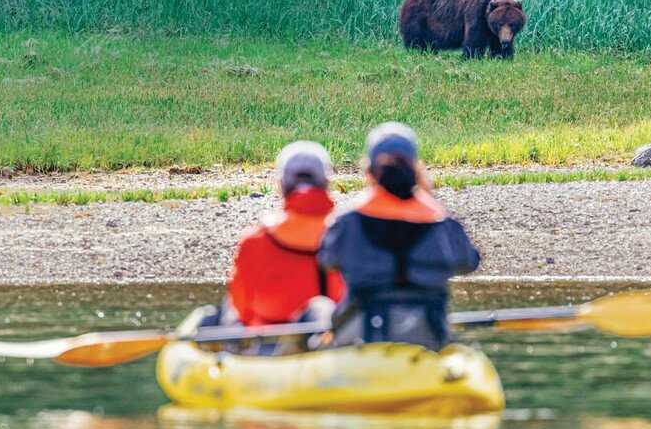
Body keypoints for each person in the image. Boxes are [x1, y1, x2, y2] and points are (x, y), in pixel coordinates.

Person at [318, 122, 480, 350]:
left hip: (363, 335)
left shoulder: (348, 221)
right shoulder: (441, 222)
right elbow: (468, 262)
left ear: (369, 172)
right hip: (427, 335)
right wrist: (427, 197)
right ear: (416, 169)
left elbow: (327, 259)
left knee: (320, 310)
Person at [181, 141, 345, 352]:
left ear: (281, 185)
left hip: (265, 347)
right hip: (327, 342)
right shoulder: (348, 232)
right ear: (326, 182)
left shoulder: (255, 239)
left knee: (212, 315)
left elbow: (242, 308)